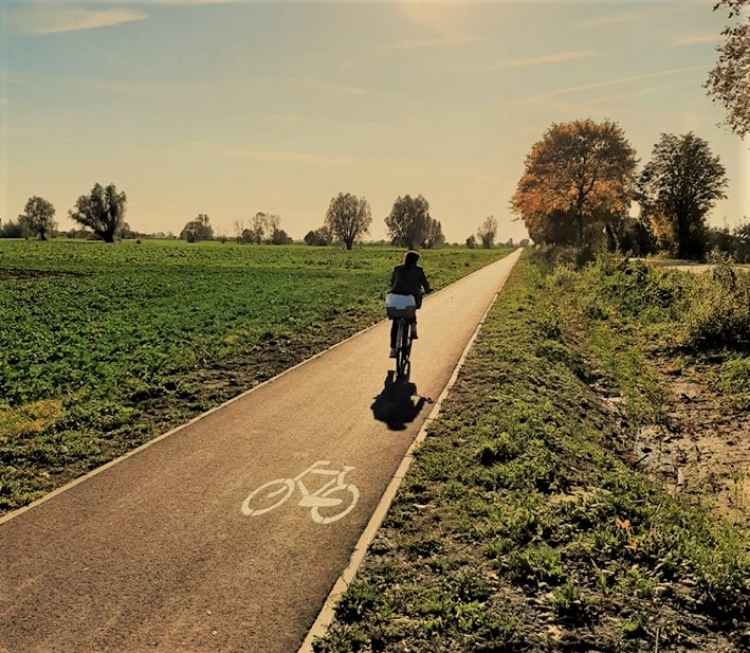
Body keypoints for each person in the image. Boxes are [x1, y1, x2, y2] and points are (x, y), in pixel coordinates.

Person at [388, 250, 431, 358]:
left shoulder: (397, 269)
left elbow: (392, 282)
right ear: (416, 261)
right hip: (411, 298)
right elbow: (425, 284)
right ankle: (413, 327)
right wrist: (427, 290)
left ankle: (393, 349)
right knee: (411, 308)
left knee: (395, 323)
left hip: (395, 297)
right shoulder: (418, 270)